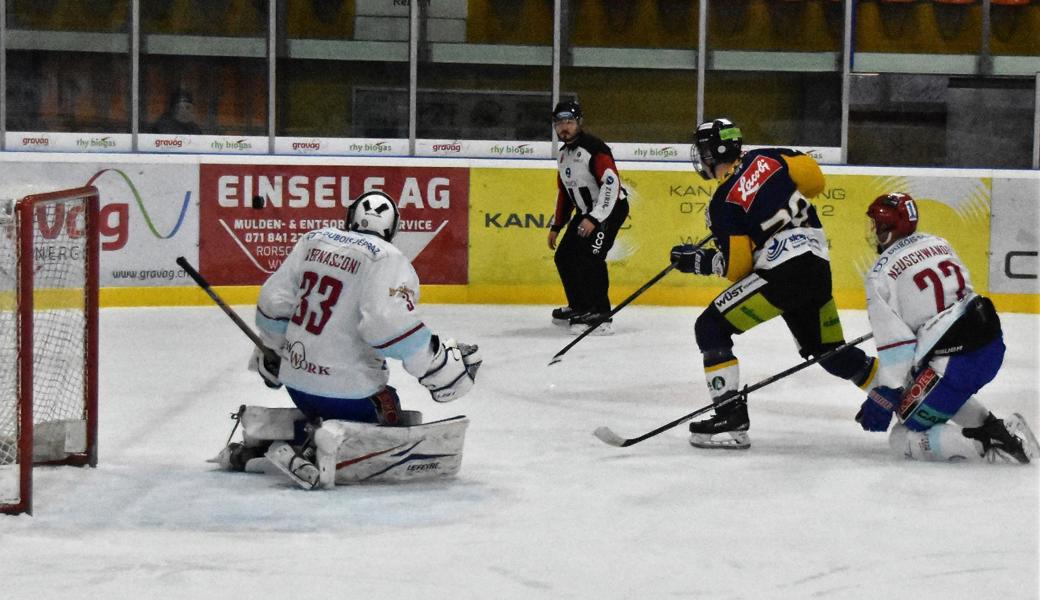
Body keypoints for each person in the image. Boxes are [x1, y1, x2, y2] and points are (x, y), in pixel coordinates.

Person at [211, 190, 482, 488]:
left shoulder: (314, 240)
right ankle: (328, 441)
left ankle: (269, 445)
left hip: (297, 383)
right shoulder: (387, 257)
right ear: (392, 228)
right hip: (350, 394)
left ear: (350, 216)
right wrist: (439, 367)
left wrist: (273, 350)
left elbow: (274, 301)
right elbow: (387, 323)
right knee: (389, 413)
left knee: (329, 405)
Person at [670, 118, 878, 449]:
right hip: (816, 267)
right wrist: (767, 197)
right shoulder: (766, 158)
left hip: (782, 274)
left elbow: (738, 268)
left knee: (710, 327)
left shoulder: (724, 202)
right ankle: (903, 394)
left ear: (711, 153)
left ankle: (729, 418)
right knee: (830, 352)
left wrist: (699, 261)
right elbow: (814, 181)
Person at [857, 192, 1039, 463]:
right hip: (990, 343)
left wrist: (886, 393)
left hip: (956, 362)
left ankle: (989, 448)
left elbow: (898, 347)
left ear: (889, 229)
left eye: (878, 225)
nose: (874, 231)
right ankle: (998, 430)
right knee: (932, 388)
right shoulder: (938, 243)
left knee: (901, 436)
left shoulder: (879, 276)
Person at [548, 100, 629, 335]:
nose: (564, 128)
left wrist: (595, 218)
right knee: (564, 257)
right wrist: (557, 225)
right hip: (587, 212)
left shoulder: (595, 148)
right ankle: (579, 306)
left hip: (609, 210)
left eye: (569, 122)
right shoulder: (563, 156)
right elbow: (565, 193)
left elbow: (611, 185)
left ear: (579, 123)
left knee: (590, 258)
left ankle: (601, 315)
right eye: (560, 123)